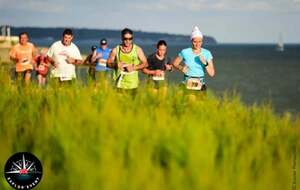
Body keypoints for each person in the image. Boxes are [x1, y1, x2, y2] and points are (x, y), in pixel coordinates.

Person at [172, 26, 215, 92]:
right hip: (186, 84)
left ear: (202, 41)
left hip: (200, 86)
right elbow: (174, 63)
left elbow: (212, 73)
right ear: (191, 41)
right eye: (195, 41)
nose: (197, 44)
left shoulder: (207, 53)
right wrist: (181, 68)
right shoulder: (185, 52)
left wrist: (205, 63)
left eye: (199, 41)